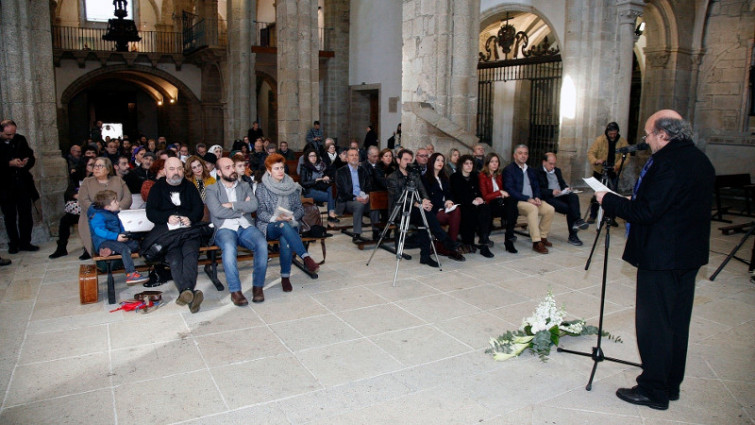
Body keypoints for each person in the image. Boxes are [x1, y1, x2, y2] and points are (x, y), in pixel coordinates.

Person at [596, 110, 715, 411]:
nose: (646, 140)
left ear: (663, 134)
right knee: (676, 323)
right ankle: (669, 384)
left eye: (648, 134)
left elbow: (646, 212)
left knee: (654, 325)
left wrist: (607, 200)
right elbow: (672, 205)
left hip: (663, 257)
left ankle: (652, 390)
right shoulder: (699, 159)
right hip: (687, 255)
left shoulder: (667, 163)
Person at [255, 154, 321, 302]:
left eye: (282, 168)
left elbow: (300, 209)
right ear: (269, 170)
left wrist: (292, 216)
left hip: (288, 224)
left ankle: (285, 277)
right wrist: (274, 218)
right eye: (276, 168)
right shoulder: (262, 188)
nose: (280, 171)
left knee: (285, 239)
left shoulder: (292, 186)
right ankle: (305, 257)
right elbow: (260, 212)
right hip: (269, 225)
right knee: (283, 226)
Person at [206, 158, 269, 305]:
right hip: (224, 228)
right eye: (227, 168)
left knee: (261, 244)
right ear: (219, 172)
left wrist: (232, 205)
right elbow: (217, 211)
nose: (232, 170)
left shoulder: (244, 185)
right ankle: (236, 291)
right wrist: (241, 209)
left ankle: (258, 287)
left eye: (233, 166)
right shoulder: (212, 189)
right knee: (229, 249)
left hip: (245, 226)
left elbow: (254, 205)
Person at [146, 157, 205, 313]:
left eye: (179, 168)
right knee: (175, 259)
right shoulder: (157, 188)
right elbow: (151, 213)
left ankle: (186, 293)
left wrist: (190, 218)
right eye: (171, 169)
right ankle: (189, 293)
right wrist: (167, 218)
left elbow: (198, 210)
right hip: (168, 234)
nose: (176, 172)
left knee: (191, 256)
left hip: (188, 231)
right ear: (165, 171)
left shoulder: (190, 187)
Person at [386, 149, 459, 268]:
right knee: (424, 213)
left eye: (410, 160)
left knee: (425, 215)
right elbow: (398, 197)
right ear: (398, 160)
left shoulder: (414, 174)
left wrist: (425, 200)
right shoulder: (392, 177)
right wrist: (417, 203)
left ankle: (425, 256)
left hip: (416, 210)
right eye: (405, 160)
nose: (409, 162)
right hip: (400, 211)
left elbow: (422, 191)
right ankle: (443, 238)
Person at [88, 190, 149, 285]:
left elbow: (120, 227)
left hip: (115, 240)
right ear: (107, 207)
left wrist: (124, 235)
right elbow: (99, 230)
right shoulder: (98, 215)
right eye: (115, 201)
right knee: (124, 249)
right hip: (104, 241)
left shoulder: (113, 214)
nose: (118, 203)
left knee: (135, 244)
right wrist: (116, 236)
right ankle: (131, 273)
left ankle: (111, 251)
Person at [503, 144, 555, 254]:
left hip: (532, 200)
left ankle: (542, 236)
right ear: (514, 155)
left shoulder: (531, 170)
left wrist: (537, 197)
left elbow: (536, 186)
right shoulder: (509, 170)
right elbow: (510, 189)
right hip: (518, 201)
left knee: (549, 209)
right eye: (520, 153)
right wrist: (527, 199)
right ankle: (536, 242)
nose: (523, 156)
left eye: (526, 153)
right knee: (532, 209)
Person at [77, 157, 132, 258]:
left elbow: (127, 198)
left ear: (108, 169)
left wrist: (117, 207)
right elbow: (83, 200)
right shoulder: (87, 182)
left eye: (100, 166)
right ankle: (100, 248)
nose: (96, 168)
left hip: (116, 215)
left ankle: (114, 250)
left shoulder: (118, 180)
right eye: (95, 166)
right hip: (94, 216)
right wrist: (100, 210)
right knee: (98, 228)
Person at [0, 119, 39, 253]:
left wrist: (26, 162)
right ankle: (14, 243)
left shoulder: (20, 139)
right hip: (5, 185)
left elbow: (30, 156)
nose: (11, 137)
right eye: (8, 135)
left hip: (22, 183)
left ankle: (25, 242)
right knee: (9, 216)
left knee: (26, 214)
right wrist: (9, 163)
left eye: (13, 134)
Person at [535, 152, 589, 246]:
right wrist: (551, 191)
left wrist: (566, 189)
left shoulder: (557, 171)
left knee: (574, 197)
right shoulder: (537, 172)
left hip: (560, 194)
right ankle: (574, 232)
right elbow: (537, 189)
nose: (553, 166)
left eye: (554, 164)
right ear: (544, 162)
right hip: (548, 197)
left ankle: (577, 221)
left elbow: (562, 183)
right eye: (550, 164)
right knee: (569, 209)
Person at [50, 157, 96, 259]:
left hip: (91, 210)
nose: (94, 167)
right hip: (78, 209)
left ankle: (88, 248)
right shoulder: (76, 177)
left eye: (95, 165)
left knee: (87, 221)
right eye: (91, 165)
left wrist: (83, 197)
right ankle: (61, 248)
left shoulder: (97, 178)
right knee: (64, 220)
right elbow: (68, 193)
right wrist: (77, 196)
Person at [422, 153, 465, 261]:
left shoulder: (444, 177)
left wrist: (450, 201)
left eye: (442, 160)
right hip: (434, 210)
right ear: (432, 162)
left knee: (457, 211)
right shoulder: (425, 178)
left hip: (446, 208)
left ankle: (446, 246)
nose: (440, 163)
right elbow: (428, 198)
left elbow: (450, 193)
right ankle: (449, 247)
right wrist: (443, 204)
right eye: (438, 160)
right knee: (453, 217)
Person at [450, 155, 494, 257]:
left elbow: (478, 191)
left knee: (486, 208)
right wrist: (471, 201)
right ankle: (468, 242)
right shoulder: (455, 177)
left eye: (471, 163)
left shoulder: (474, 176)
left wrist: (479, 198)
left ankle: (483, 242)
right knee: (470, 211)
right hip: (462, 204)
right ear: (461, 165)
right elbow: (457, 195)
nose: (469, 166)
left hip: (474, 203)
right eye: (466, 163)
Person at [335, 148, 381, 241]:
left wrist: (367, 196)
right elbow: (342, 192)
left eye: (356, 155)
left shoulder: (362, 171)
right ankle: (357, 233)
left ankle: (376, 232)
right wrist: (356, 198)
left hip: (362, 198)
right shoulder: (340, 172)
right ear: (347, 158)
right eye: (351, 155)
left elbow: (368, 187)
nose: (354, 157)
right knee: (358, 205)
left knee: (374, 205)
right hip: (347, 201)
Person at [587, 122, 629, 223]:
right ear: (607, 132)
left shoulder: (622, 142)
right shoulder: (600, 140)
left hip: (614, 172)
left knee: (612, 195)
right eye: (611, 133)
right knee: (596, 194)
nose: (612, 135)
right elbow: (591, 152)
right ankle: (593, 215)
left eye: (614, 133)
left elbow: (626, 156)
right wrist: (596, 160)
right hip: (600, 171)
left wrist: (617, 166)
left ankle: (610, 217)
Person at [478, 152, 518, 253]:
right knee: (509, 207)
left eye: (496, 162)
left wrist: (503, 194)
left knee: (512, 205)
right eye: (492, 162)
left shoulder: (499, 175)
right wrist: (499, 192)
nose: (495, 164)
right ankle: (485, 240)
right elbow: (485, 196)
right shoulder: (482, 176)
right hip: (489, 204)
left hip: (499, 203)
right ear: (487, 163)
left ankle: (508, 239)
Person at [298, 147, 339, 224]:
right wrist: (316, 180)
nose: (313, 158)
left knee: (331, 189)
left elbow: (329, 176)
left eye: (315, 156)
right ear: (307, 157)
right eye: (311, 156)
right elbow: (303, 183)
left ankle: (331, 214)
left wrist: (327, 178)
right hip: (310, 190)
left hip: (321, 187)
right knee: (332, 197)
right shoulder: (304, 167)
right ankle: (331, 215)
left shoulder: (322, 165)